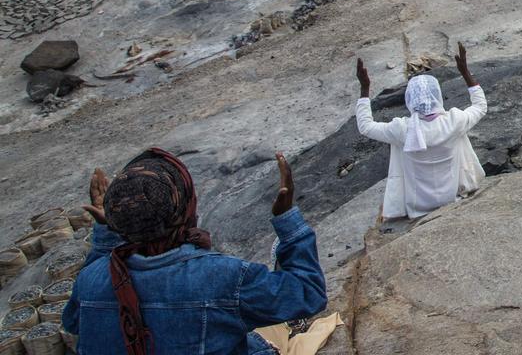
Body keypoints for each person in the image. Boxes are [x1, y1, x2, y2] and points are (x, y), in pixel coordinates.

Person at [63, 149, 326, 354]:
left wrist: (106, 238)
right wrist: (286, 218)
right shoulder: (223, 277)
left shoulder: (91, 279)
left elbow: (74, 324)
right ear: (184, 206)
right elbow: (308, 293)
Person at [354, 48, 488, 219]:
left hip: (417, 207)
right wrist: (465, 73)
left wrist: (365, 89)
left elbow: (365, 126)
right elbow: (480, 106)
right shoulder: (454, 121)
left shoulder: (402, 129)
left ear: (410, 100)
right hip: (451, 198)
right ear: (437, 96)